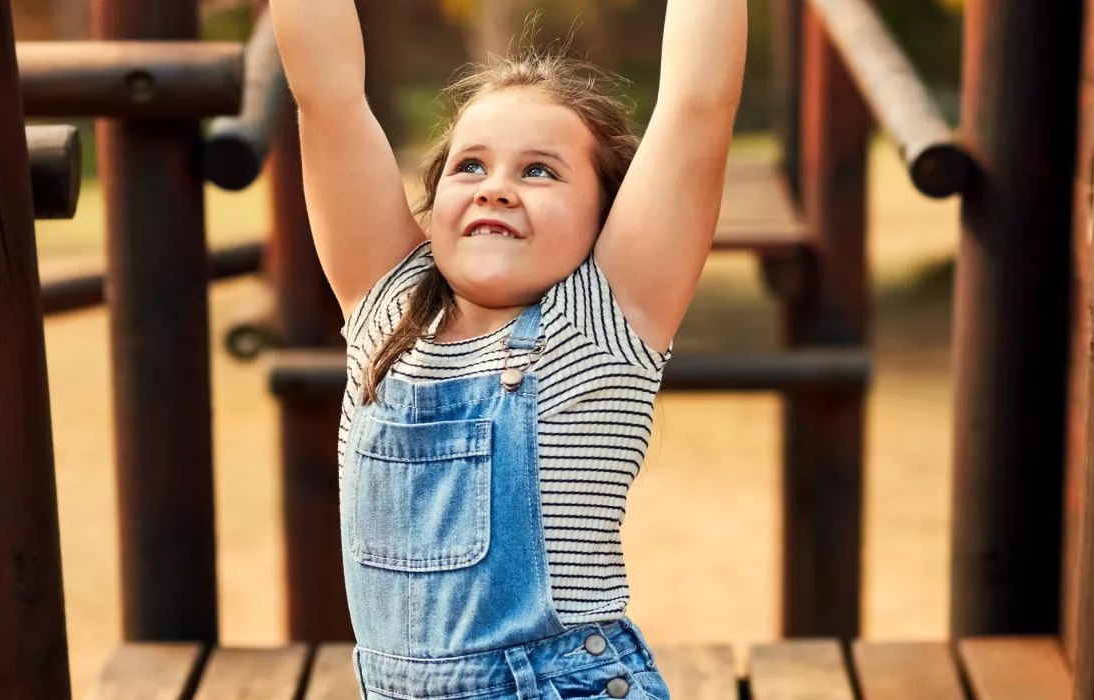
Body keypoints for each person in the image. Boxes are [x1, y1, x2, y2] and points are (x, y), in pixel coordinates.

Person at [273, 1, 744, 699]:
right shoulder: (386, 308)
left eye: (539, 172)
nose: (496, 187)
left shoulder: (603, 321)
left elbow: (697, 103)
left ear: (607, 219)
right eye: (470, 166)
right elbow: (328, 95)